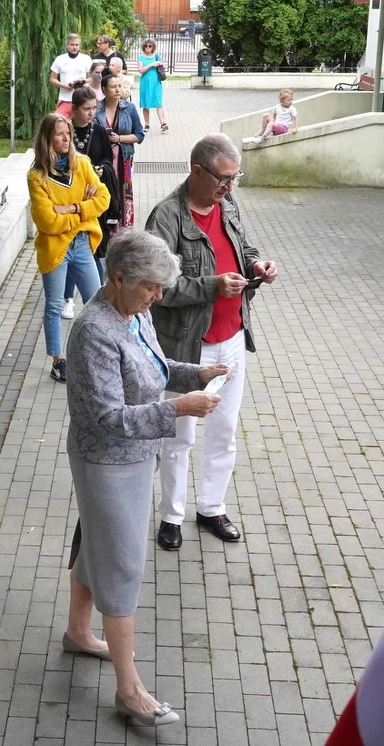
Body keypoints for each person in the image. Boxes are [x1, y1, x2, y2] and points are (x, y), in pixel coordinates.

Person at [61, 229, 230, 727]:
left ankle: (77, 633)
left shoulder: (135, 314)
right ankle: (129, 689)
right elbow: (107, 418)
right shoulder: (94, 331)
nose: (159, 295)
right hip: (107, 462)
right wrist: (177, 409)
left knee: (98, 545)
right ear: (118, 278)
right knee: (122, 563)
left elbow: (155, 369)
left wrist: (195, 375)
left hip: (135, 457)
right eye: (152, 287)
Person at [145, 134, 279, 550]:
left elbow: (242, 246)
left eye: (236, 178)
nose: (230, 187)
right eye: (224, 178)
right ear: (197, 171)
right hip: (187, 348)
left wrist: (256, 262)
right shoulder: (166, 216)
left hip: (232, 340)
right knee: (178, 436)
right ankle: (171, 515)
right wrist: (212, 286)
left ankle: (211, 507)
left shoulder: (228, 205)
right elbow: (158, 286)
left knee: (224, 432)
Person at [27, 113, 110, 384]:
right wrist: (84, 214)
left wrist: (72, 208)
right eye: (60, 134)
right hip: (55, 248)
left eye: (68, 133)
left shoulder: (82, 164)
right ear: (48, 138)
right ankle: (58, 361)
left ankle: (99, 354)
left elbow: (104, 198)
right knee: (53, 306)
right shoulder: (37, 176)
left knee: (97, 302)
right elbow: (47, 221)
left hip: (83, 245)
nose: (66, 138)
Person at [70, 85, 119, 281]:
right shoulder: (64, 130)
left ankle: (97, 290)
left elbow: (108, 159)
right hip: (71, 198)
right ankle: (68, 295)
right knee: (71, 246)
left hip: (94, 197)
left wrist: (101, 170)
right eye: (86, 109)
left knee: (94, 248)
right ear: (74, 109)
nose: (91, 113)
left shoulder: (98, 131)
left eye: (94, 108)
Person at [98, 73, 145, 231]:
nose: (118, 90)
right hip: (103, 160)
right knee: (105, 191)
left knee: (124, 194)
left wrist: (119, 139)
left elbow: (139, 135)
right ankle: (106, 229)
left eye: (119, 86)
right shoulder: (97, 109)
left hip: (123, 159)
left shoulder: (128, 108)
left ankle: (124, 230)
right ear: (104, 89)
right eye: (113, 86)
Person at [50, 34, 92, 118]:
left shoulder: (86, 59)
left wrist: (83, 81)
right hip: (65, 98)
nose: (74, 47)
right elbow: (52, 79)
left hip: (82, 98)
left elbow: (91, 78)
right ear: (67, 45)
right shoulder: (60, 59)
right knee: (60, 122)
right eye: (72, 45)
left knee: (81, 123)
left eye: (77, 45)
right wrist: (64, 85)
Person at [136, 38, 169, 133]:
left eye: (150, 46)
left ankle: (163, 123)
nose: (148, 48)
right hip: (145, 83)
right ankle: (146, 124)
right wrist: (152, 64)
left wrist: (162, 65)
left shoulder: (157, 57)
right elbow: (141, 70)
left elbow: (162, 68)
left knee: (158, 103)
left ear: (153, 47)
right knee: (146, 104)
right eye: (146, 46)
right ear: (143, 47)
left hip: (156, 82)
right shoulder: (141, 58)